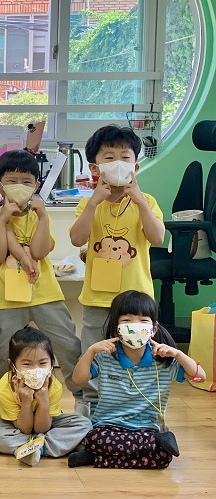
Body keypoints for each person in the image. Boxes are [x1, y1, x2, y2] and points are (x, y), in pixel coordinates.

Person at [69, 125, 164, 413]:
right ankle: (92, 405)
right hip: (97, 297)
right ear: (94, 167)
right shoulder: (88, 204)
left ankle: (132, 405)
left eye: (125, 157)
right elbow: (77, 239)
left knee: (136, 352)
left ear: (135, 166)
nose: (118, 163)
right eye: (109, 158)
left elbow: (157, 238)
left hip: (136, 300)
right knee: (95, 352)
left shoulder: (147, 202)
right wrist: (93, 203)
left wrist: (140, 201)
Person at [0, 150, 83, 411]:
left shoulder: (38, 215)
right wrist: (3, 220)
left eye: (26, 182)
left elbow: (40, 252)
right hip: (7, 297)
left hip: (45, 293)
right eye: (11, 181)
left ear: (36, 186)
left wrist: (43, 216)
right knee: (5, 352)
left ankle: (83, 398)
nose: (19, 186)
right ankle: (12, 400)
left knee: (67, 344)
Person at [69, 291, 205, 469]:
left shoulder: (163, 361)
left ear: (153, 329)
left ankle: (96, 458)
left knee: (163, 457)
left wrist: (178, 353)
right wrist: (91, 351)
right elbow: (78, 379)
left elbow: (199, 377)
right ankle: (136, 450)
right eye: (127, 320)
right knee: (94, 438)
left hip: (147, 428)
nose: (135, 326)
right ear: (116, 329)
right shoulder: (105, 358)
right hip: (108, 427)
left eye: (143, 320)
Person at [0, 326, 92, 466]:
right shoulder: (5, 387)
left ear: (51, 363)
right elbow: (24, 429)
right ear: (12, 365)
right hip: (15, 424)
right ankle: (57, 445)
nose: (36, 369)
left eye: (43, 363)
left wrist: (44, 403)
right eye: (27, 364)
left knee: (84, 423)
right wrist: (26, 403)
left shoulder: (54, 386)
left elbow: (41, 429)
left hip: (46, 422)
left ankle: (33, 449)